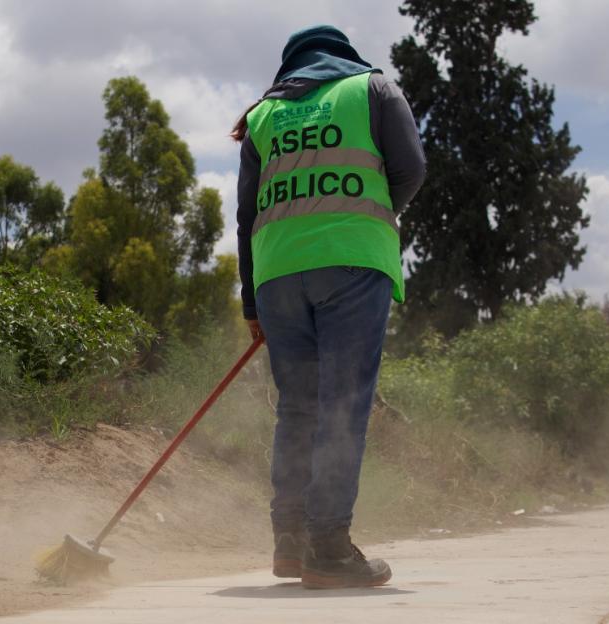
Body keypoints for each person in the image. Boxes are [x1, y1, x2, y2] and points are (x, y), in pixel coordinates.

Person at [231, 25, 426, 589]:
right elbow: (410, 169)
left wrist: (251, 302)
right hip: (351, 262)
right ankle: (329, 547)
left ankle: (290, 542)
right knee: (342, 404)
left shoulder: (262, 118)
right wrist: (371, 212)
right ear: (344, 56)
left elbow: (246, 217)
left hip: (276, 275)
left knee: (298, 408)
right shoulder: (373, 89)